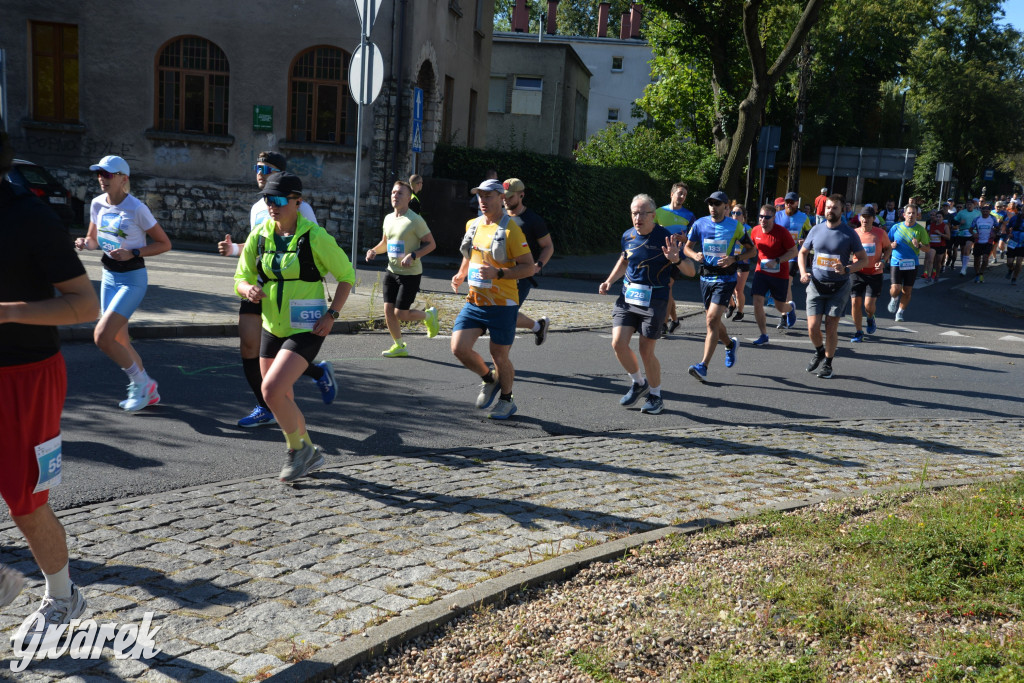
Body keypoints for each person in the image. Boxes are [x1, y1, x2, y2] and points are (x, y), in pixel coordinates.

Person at [1, 121, 100, 644]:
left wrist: (8, 313)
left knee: (26, 503)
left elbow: (86, 305)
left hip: (25, 377)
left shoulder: (29, 217)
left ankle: (64, 597)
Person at [234, 172, 355, 482]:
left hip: (307, 327)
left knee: (271, 391)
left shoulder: (315, 236)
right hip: (270, 326)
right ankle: (309, 452)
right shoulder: (259, 236)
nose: (271, 205)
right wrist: (247, 289)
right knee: (281, 397)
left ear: (297, 201)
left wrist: (332, 315)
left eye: (278, 200)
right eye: (267, 199)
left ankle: (295, 452)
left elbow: (347, 276)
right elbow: (240, 277)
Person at [218, 151, 335, 428]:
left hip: (289, 293)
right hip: (257, 286)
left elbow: (310, 249)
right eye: (257, 166)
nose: (260, 172)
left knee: (283, 351)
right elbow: (256, 247)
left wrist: (331, 311)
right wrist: (235, 249)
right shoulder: (258, 207)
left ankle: (296, 399)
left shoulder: (299, 208)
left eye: (266, 168)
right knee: (249, 345)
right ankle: (265, 405)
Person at [74, 156, 172, 411]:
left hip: (132, 279)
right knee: (120, 339)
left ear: (123, 178)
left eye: (107, 174)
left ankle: (143, 383)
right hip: (109, 276)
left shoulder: (137, 208)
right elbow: (93, 239)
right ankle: (146, 392)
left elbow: (165, 243)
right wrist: (86, 244)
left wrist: (134, 252)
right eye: (99, 174)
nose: (101, 179)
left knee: (102, 336)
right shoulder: (97, 204)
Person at [599, 194, 696, 414]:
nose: (638, 217)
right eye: (634, 213)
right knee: (618, 344)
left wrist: (677, 260)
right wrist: (609, 280)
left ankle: (656, 396)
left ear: (653, 216)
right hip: (627, 298)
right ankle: (638, 383)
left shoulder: (666, 238)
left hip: (655, 300)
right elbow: (625, 260)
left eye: (643, 213)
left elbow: (691, 271)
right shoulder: (628, 236)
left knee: (646, 350)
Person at [450, 179, 535, 419]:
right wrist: (461, 273)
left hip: (502, 304)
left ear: (501, 198)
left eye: (488, 196)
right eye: (480, 196)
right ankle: (489, 379)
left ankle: (507, 400)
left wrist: (499, 273)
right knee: (459, 348)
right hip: (475, 301)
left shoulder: (511, 230)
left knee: (499, 355)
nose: (483, 201)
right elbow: (472, 254)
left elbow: (528, 268)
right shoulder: (473, 224)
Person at [683, 190, 756, 383]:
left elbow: (752, 250)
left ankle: (703, 366)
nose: (713, 207)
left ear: (726, 207)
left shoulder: (736, 226)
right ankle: (730, 344)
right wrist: (694, 255)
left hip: (725, 280)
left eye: (717, 204)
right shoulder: (700, 224)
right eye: (710, 204)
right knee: (713, 322)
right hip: (706, 278)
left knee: (712, 319)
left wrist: (735, 258)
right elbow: (687, 247)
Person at [365, 180, 439, 356]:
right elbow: (385, 243)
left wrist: (413, 255)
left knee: (401, 314)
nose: (395, 196)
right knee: (388, 311)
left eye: (399, 193)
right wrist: (374, 251)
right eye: (393, 192)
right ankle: (399, 346)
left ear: (408, 197)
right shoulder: (388, 218)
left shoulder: (415, 220)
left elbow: (431, 244)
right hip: (392, 271)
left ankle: (429, 316)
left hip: (410, 274)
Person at [798, 194, 868, 379]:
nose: (830, 210)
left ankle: (828, 363)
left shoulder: (849, 233)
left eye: (834, 208)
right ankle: (819, 350)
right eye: (828, 207)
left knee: (830, 327)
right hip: (816, 285)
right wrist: (803, 272)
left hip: (839, 287)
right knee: (812, 328)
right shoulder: (815, 230)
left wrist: (847, 269)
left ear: (842, 210)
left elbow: (863, 260)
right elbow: (803, 252)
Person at [503, 178, 553, 344]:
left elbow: (548, 246)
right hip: (499, 274)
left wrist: (538, 265)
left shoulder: (532, 220)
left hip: (521, 277)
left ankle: (501, 359)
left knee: (506, 315)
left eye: (510, 197)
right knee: (498, 313)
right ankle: (538, 327)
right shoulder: (499, 216)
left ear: (521, 195)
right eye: (503, 196)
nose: (505, 200)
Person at [748, 205, 798, 346]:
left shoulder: (782, 233)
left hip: (779, 274)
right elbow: (752, 249)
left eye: (767, 217)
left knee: (780, 307)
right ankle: (763, 334)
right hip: (761, 272)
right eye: (761, 216)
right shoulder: (755, 230)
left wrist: (777, 261)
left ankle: (791, 308)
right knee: (757, 301)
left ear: (774, 218)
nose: (763, 219)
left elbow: (793, 252)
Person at [655, 182, 696, 333]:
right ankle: (675, 320)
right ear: (671, 194)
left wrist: (685, 240)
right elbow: (650, 233)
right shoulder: (658, 212)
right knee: (667, 290)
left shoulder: (689, 216)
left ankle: (663, 325)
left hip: (677, 258)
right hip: (660, 255)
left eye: (684, 194)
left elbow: (694, 238)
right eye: (679, 193)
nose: (682, 196)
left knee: (668, 286)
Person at [849, 205, 892, 342]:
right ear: (859, 218)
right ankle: (858, 332)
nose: (865, 220)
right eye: (863, 217)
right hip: (857, 272)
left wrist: (884, 261)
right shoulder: (854, 233)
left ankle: (870, 317)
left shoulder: (880, 233)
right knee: (855, 302)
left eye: (868, 217)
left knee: (868, 306)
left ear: (874, 219)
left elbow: (888, 248)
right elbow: (846, 250)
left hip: (874, 273)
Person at [774, 191, 812, 328]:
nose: (789, 204)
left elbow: (810, 234)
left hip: (794, 255)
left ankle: (784, 316)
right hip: (779, 255)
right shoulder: (777, 216)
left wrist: (805, 241)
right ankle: (789, 309)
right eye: (787, 202)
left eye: (792, 202)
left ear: (797, 203)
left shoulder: (803, 217)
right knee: (780, 286)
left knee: (786, 283)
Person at [886, 204, 931, 322]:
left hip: (912, 263)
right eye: (909, 213)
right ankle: (894, 298)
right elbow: (886, 242)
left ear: (917, 215)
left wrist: (919, 245)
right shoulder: (896, 227)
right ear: (904, 215)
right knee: (895, 288)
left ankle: (900, 312)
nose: (911, 215)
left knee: (907, 291)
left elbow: (927, 248)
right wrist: (891, 245)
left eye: (913, 213)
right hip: (896, 261)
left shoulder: (921, 230)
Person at [726, 204, 752, 322]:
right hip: (730, 260)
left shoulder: (749, 229)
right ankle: (732, 305)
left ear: (744, 216)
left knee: (738, 289)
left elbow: (754, 247)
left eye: (738, 213)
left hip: (743, 262)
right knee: (728, 286)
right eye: (733, 213)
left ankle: (740, 312)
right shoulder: (729, 227)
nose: (734, 215)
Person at [968, 203, 999, 283]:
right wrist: (974, 234)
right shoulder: (977, 219)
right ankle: (977, 274)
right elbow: (970, 229)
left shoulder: (993, 218)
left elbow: (997, 227)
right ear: (981, 211)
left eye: (987, 211)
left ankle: (981, 273)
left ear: (989, 212)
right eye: (984, 211)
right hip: (978, 241)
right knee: (976, 260)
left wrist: (994, 233)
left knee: (985, 259)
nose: (985, 213)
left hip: (988, 241)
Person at [953, 198, 981, 276]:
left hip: (972, 232)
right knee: (963, 251)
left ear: (974, 205)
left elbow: (981, 221)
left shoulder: (978, 213)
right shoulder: (961, 212)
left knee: (967, 248)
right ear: (966, 205)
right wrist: (959, 222)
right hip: (962, 233)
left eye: (971, 204)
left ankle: (964, 268)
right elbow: (953, 221)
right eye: (968, 204)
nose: (969, 206)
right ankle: (964, 266)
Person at [924, 209, 949, 282]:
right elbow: (928, 234)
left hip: (941, 246)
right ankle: (928, 276)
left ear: (943, 218)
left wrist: (940, 234)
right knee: (930, 260)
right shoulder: (931, 225)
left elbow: (948, 237)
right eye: (937, 216)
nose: (938, 218)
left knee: (938, 263)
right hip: (932, 245)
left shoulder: (945, 226)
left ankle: (937, 275)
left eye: (940, 217)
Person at [1005, 210, 1024, 285]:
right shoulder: (1015, 218)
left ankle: (1014, 278)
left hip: (1022, 244)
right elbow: (1007, 227)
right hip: (1013, 242)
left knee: (1019, 263)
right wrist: (1009, 234)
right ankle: (1011, 269)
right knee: (1009, 263)